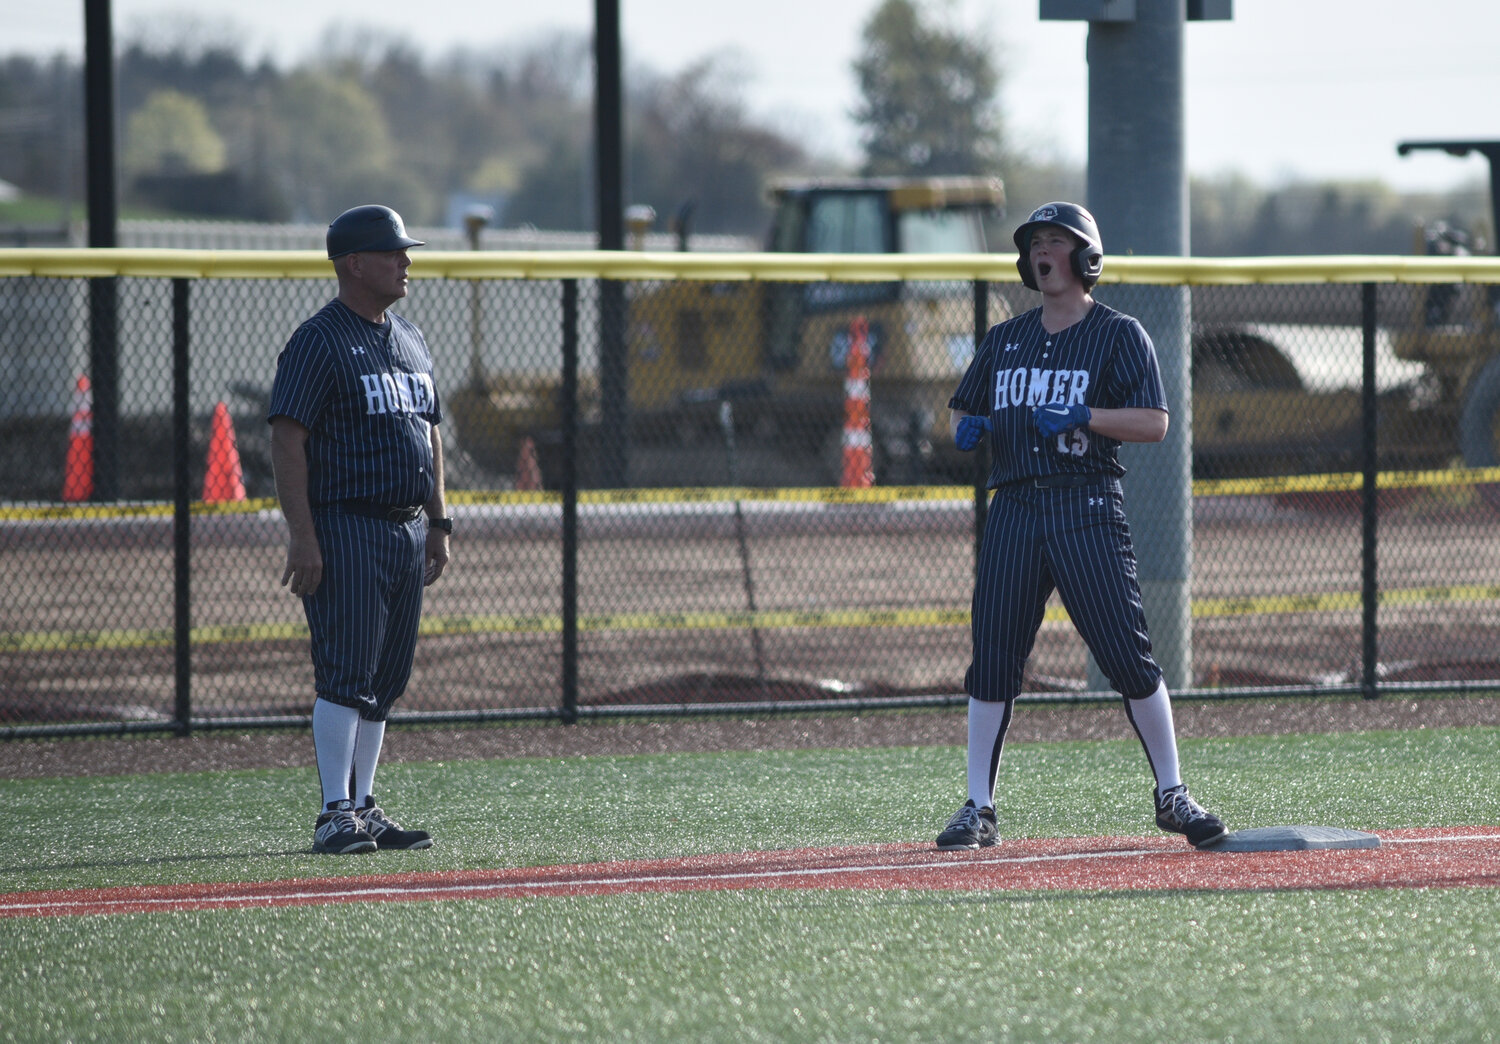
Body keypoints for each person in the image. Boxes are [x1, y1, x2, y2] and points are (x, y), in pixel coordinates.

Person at [936, 201, 1227, 852]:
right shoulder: (1005, 338)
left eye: (1055, 241)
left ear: (1086, 258)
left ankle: (1172, 794)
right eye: (1035, 242)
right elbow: (961, 408)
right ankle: (978, 807)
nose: (1042, 252)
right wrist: (969, 427)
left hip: (1084, 503)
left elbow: (1154, 423)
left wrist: (1085, 414)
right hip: (1013, 506)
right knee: (994, 660)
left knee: (1127, 656)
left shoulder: (1119, 334)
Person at [269, 204, 452, 855]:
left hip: (405, 530)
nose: (406, 262)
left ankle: (365, 806)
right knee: (345, 675)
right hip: (345, 525)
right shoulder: (319, 339)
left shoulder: (410, 338)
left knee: (384, 681)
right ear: (354, 263)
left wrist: (439, 519)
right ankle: (333, 813)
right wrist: (303, 533)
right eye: (393, 251)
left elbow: (428, 433)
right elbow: (288, 436)